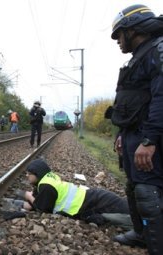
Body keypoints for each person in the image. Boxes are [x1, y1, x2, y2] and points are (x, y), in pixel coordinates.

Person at [109, 4, 163, 253]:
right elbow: (133, 101)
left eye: (120, 34)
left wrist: (150, 140)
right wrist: (122, 134)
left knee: (148, 193)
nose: (118, 41)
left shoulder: (157, 50)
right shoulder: (139, 56)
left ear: (133, 29)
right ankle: (141, 234)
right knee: (133, 186)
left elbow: (161, 97)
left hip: (148, 136)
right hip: (133, 135)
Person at [14, 159, 130, 226]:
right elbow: (42, 202)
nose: (27, 175)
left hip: (91, 202)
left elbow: (42, 208)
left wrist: (28, 196)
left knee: (126, 209)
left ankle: (144, 217)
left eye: (29, 173)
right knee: (123, 206)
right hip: (90, 197)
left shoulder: (46, 186)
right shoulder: (48, 178)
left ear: (37, 173)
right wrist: (21, 204)